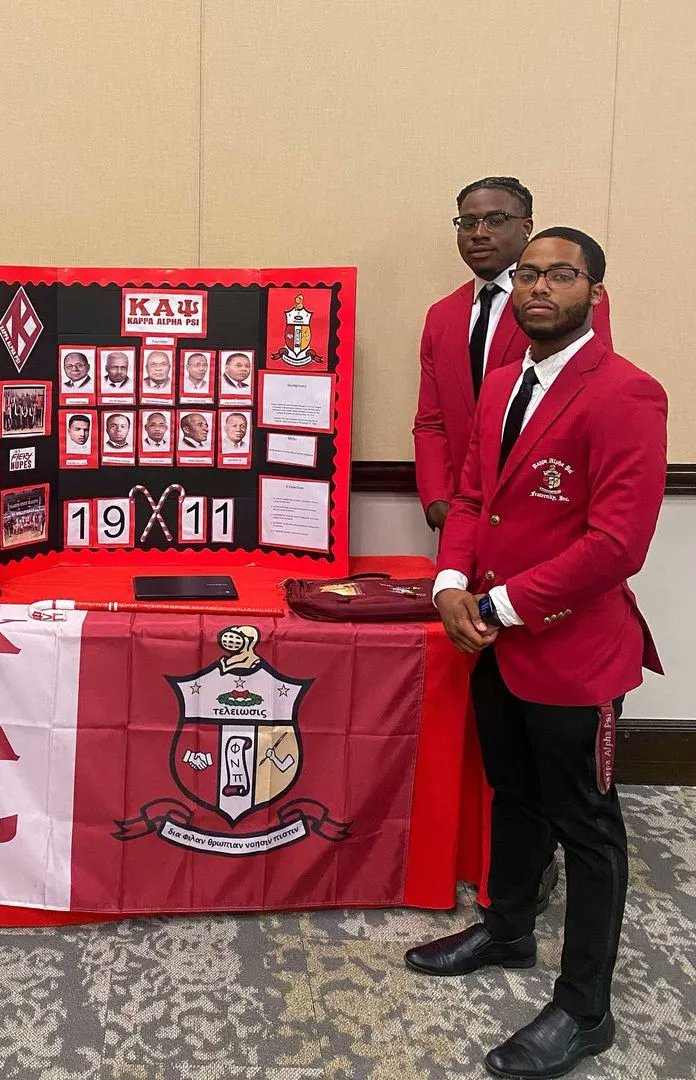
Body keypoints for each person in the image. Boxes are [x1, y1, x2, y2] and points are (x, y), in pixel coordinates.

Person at [405, 229, 667, 1079]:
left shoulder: (629, 392)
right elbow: (474, 494)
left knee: (587, 828)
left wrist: (502, 604)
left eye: (562, 274)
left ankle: (584, 1008)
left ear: (594, 290)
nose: (539, 286)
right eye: (529, 274)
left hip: (571, 652)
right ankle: (508, 926)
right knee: (511, 793)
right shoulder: (500, 383)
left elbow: (617, 544)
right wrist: (450, 579)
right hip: (489, 638)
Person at [414, 177, 613, 533]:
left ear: (526, 228)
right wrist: (437, 501)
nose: (479, 233)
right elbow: (431, 420)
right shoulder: (440, 315)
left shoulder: (563, 302)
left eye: (496, 220)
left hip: (546, 515)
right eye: (468, 222)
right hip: (462, 515)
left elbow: (589, 398)